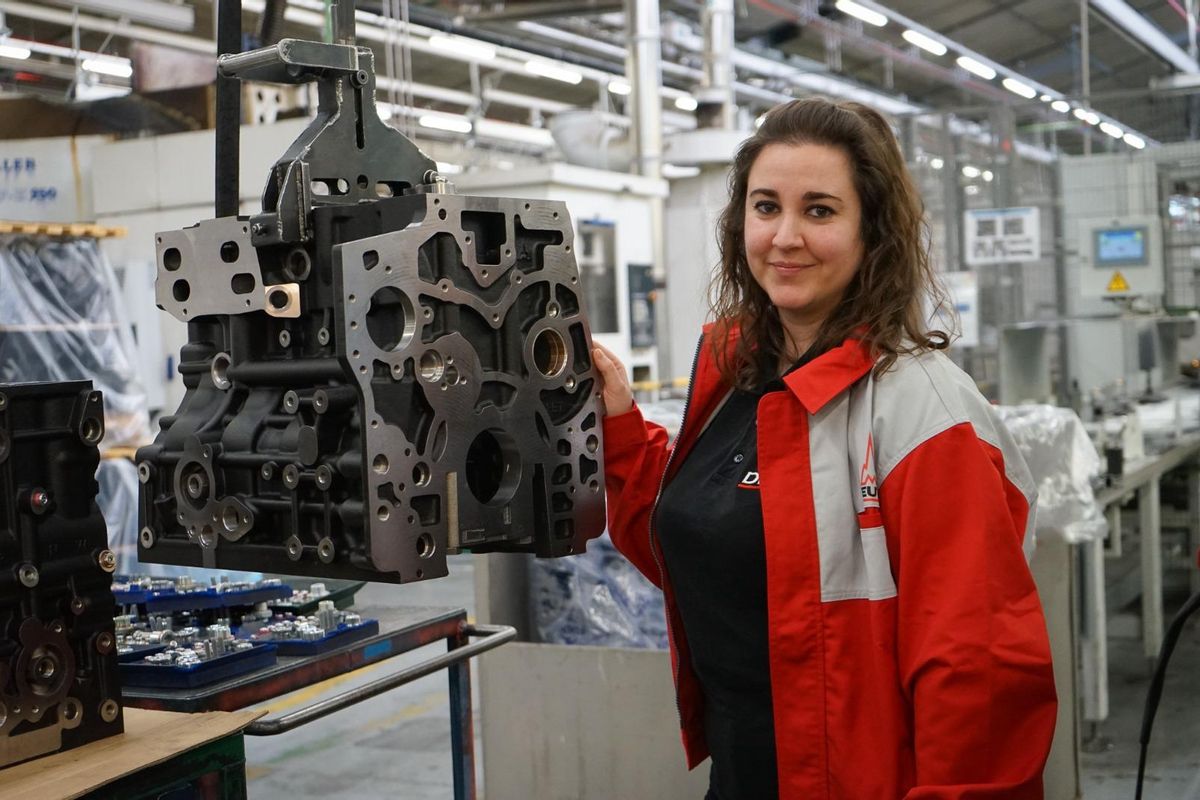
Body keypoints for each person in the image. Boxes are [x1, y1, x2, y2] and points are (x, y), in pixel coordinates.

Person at [591, 97, 1057, 800]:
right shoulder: (732, 378)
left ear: (873, 233)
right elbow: (705, 556)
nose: (784, 236)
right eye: (766, 206)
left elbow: (978, 671)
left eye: (819, 210)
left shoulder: (923, 409)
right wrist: (620, 424)